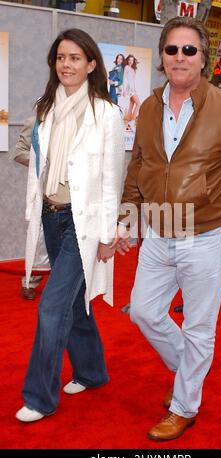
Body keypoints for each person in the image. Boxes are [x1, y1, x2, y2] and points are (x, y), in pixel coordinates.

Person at [113, 17, 221, 441]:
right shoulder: (149, 107)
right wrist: (127, 219)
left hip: (206, 234)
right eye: (172, 50)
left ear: (204, 58)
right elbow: (139, 166)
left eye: (189, 50)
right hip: (159, 229)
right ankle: (190, 367)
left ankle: (185, 405)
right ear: (163, 57)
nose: (180, 57)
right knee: (144, 312)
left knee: (199, 328)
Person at [16, 28, 125, 422]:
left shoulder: (106, 114)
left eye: (75, 57)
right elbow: (39, 169)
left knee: (52, 307)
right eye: (61, 57)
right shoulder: (45, 109)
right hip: (51, 216)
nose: (67, 64)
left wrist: (109, 234)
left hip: (84, 223)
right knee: (76, 306)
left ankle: (39, 397)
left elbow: (112, 177)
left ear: (91, 64)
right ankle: (92, 372)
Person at [13, 116, 46, 300]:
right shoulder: (35, 120)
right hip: (42, 188)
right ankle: (30, 281)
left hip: (70, 189)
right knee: (39, 236)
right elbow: (20, 152)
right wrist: (41, 162)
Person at [122, 54, 140, 131]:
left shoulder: (133, 69)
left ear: (133, 61)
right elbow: (124, 78)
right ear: (127, 60)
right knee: (138, 104)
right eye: (129, 60)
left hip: (133, 88)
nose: (130, 61)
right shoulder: (126, 67)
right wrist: (124, 89)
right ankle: (132, 122)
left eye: (132, 60)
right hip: (130, 89)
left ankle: (128, 124)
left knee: (131, 105)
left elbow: (133, 81)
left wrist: (135, 89)